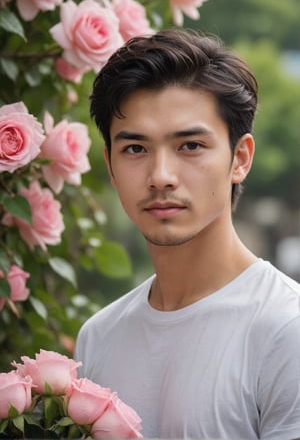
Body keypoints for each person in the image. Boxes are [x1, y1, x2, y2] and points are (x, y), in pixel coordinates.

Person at [74, 29, 300, 440]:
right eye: (136, 149)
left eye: (190, 146)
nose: (161, 176)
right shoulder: (98, 337)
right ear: (110, 164)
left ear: (240, 159)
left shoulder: (286, 328)